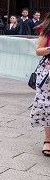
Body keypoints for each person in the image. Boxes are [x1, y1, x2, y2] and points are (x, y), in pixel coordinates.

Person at [31, 20, 50, 158]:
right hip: (48, 73)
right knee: (48, 108)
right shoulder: (47, 28)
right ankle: (48, 140)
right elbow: (38, 50)